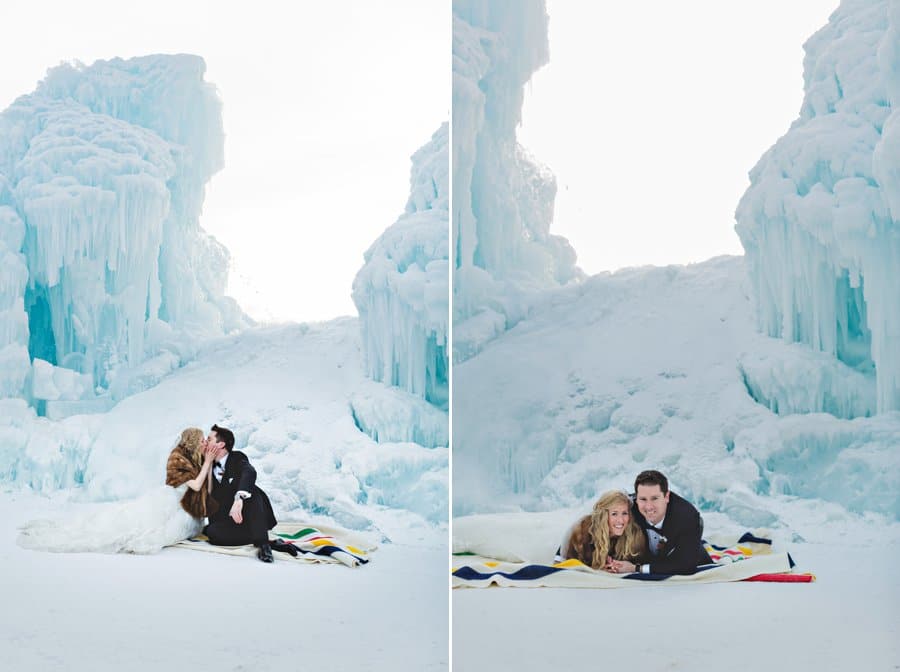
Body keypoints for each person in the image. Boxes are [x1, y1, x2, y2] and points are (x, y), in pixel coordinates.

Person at [18, 427, 212, 554]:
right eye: (202, 440)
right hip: (169, 501)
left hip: (183, 507)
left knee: (161, 526)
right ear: (193, 441)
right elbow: (194, 485)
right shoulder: (178, 458)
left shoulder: (196, 460)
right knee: (132, 521)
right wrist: (208, 463)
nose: (205, 443)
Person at [607, 469, 712, 575]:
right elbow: (600, 523)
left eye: (654, 499)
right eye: (643, 499)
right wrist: (606, 557)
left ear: (666, 497)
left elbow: (686, 566)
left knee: (695, 556)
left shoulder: (687, 516)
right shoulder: (629, 507)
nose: (648, 507)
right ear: (636, 498)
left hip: (683, 535)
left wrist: (636, 568)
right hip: (648, 549)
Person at [201, 424, 278, 563]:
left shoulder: (237, 458)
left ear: (221, 444)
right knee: (212, 533)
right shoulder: (206, 464)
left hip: (249, 513)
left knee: (252, 490)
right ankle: (258, 536)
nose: (206, 442)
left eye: (209, 439)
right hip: (228, 519)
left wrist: (239, 498)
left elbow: (249, 472)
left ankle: (263, 543)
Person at [559, 490, 647, 571]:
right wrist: (599, 568)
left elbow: (639, 563)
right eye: (614, 514)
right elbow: (567, 562)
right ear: (604, 515)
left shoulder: (634, 535)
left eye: (624, 513)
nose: (620, 520)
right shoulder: (583, 531)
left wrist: (617, 566)